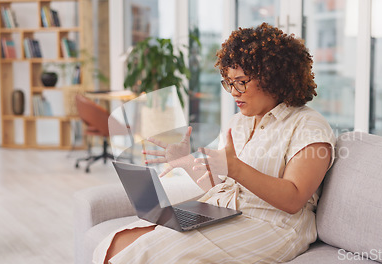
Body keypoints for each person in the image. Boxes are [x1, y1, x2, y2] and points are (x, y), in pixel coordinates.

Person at [93, 22, 336, 264]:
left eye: (241, 81)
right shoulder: (239, 122)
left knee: (147, 253)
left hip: (273, 224)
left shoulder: (308, 126)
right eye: (228, 82)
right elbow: (223, 185)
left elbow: (293, 200)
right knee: (117, 244)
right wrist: (187, 163)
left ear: (274, 77)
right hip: (222, 210)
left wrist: (236, 168)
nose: (233, 92)